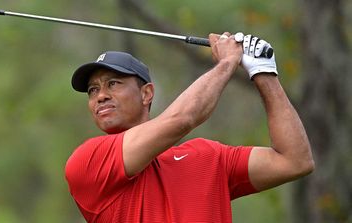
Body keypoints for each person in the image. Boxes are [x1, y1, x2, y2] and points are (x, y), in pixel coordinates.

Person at [65, 32, 315, 222]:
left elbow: (294, 161)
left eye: (113, 83)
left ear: (146, 94)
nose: (100, 96)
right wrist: (228, 62)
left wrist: (263, 71)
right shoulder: (88, 161)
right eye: (93, 90)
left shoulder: (209, 156)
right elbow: (182, 119)